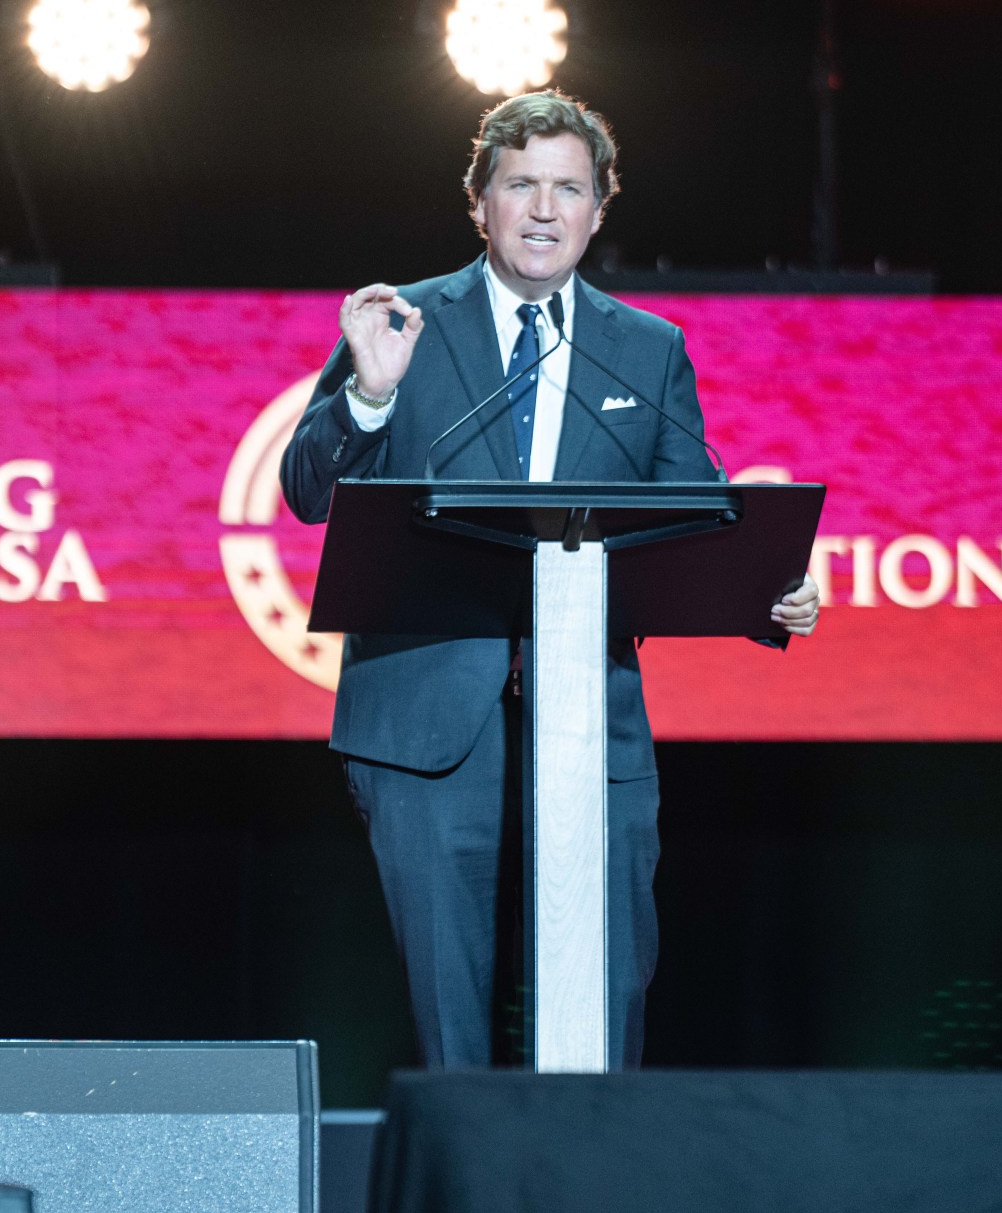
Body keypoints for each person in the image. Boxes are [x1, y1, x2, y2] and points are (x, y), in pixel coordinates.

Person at [280, 90, 819, 1069]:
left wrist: (766, 588)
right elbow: (308, 492)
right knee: (451, 1032)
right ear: (478, 201)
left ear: (598, 207)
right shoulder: (402, 323)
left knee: (604, 1015)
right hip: (423, 718)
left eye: (566, 188)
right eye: (519, 185)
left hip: (588, 718)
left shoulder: (647, 349)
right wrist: (367, 392)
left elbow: (686, 522)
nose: (542, 209)